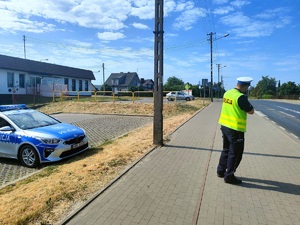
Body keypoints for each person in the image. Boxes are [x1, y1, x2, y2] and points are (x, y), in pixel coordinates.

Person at [217, 77, 254, 185]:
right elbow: (251, 111)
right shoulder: (240, 97)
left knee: (226, 150)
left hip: (224, 125)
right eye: (247, 87)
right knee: (236, 154)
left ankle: (220, 171)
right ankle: (229, 176)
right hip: (236, 129)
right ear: (245, 86)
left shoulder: (227, 93)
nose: (247, 89)